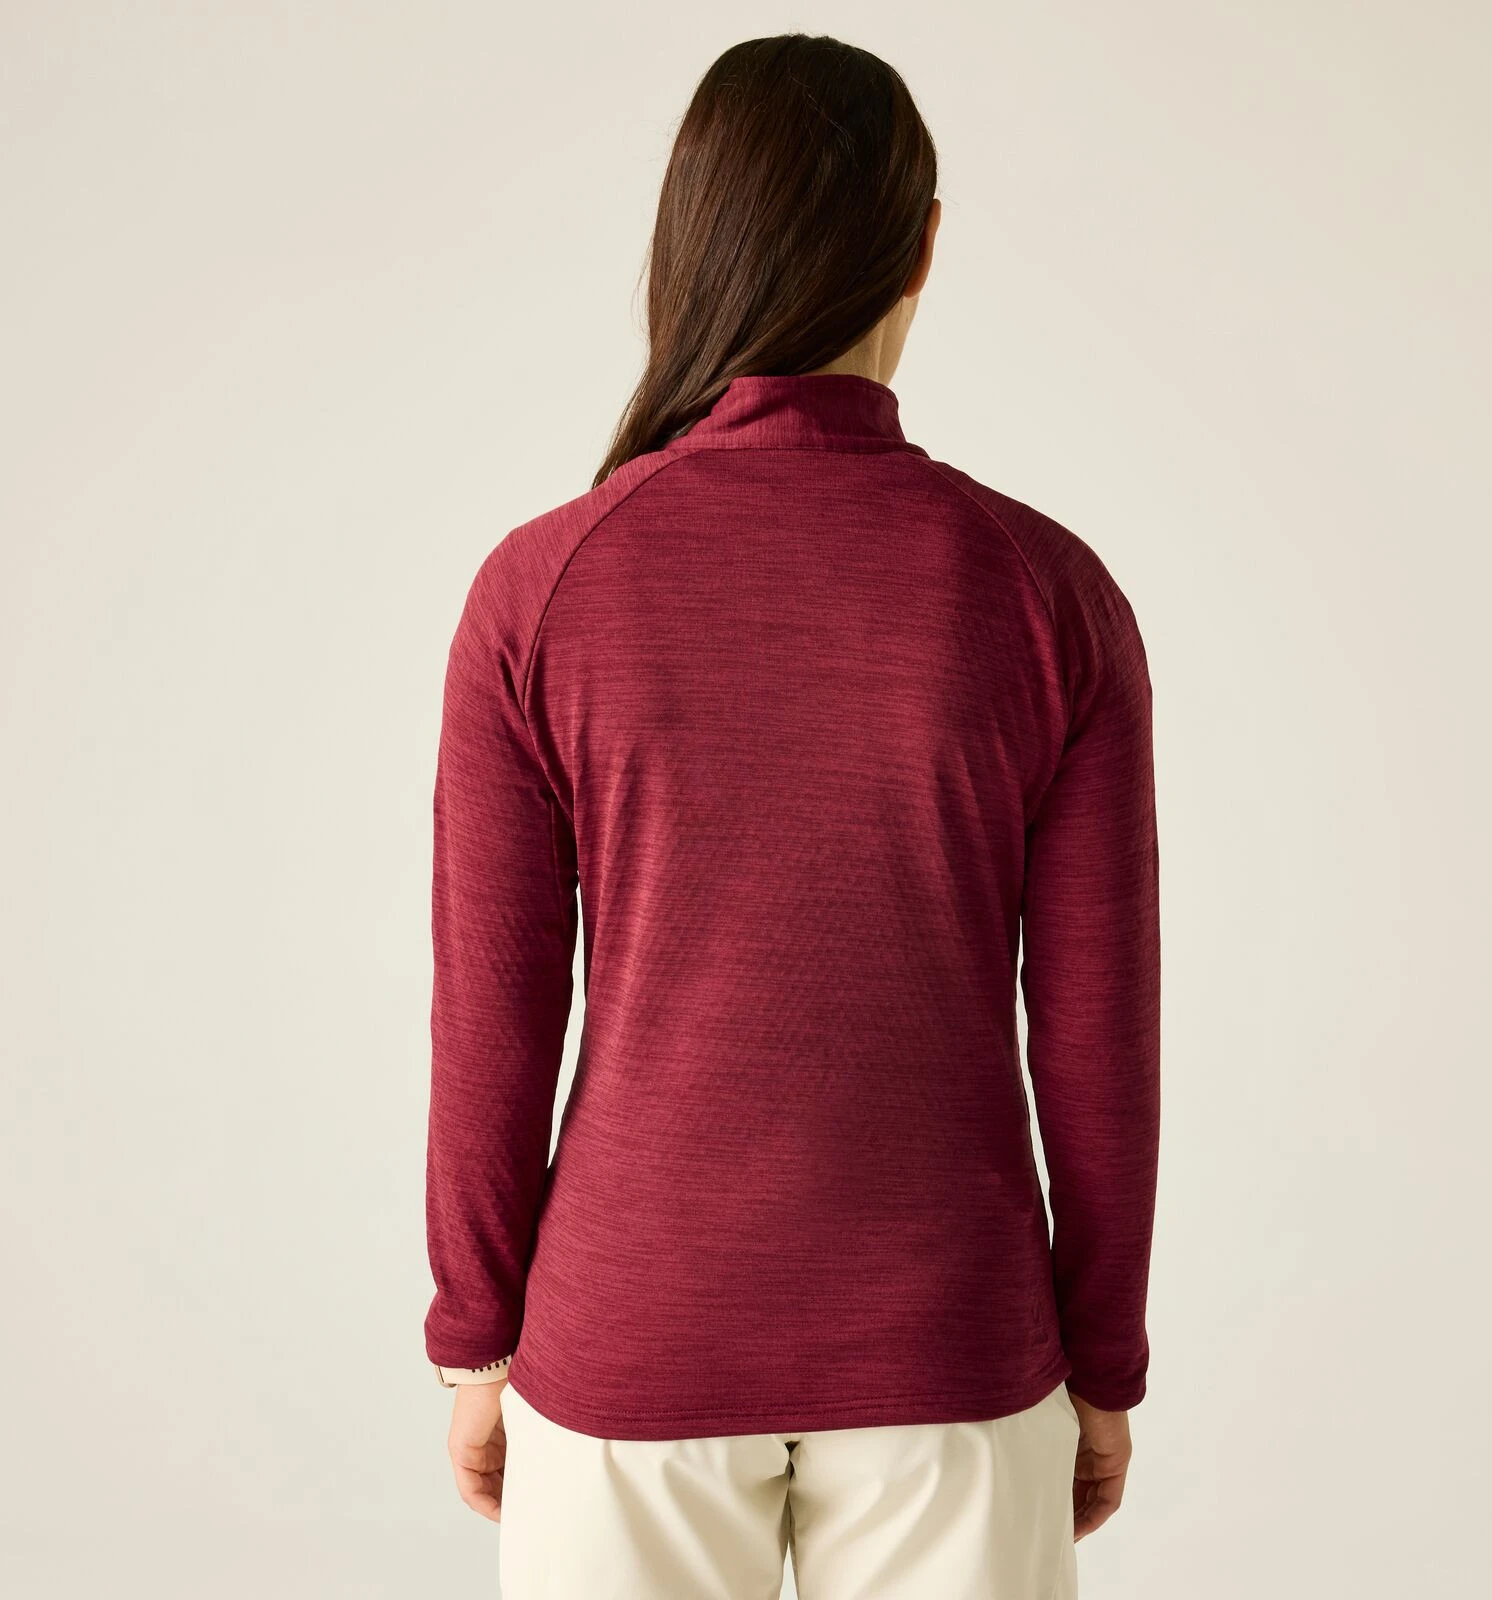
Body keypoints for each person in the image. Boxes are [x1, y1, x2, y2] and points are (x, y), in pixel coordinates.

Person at [423, 31, 1160, 1600]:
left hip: (629, 1349)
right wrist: (1102, 1361)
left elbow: (491, 1012)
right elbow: (1099, 1035)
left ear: (685, 244)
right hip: (952, 1353)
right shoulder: (1048, 594)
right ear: (925, 246)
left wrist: (475, 1342)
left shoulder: (541, 591)